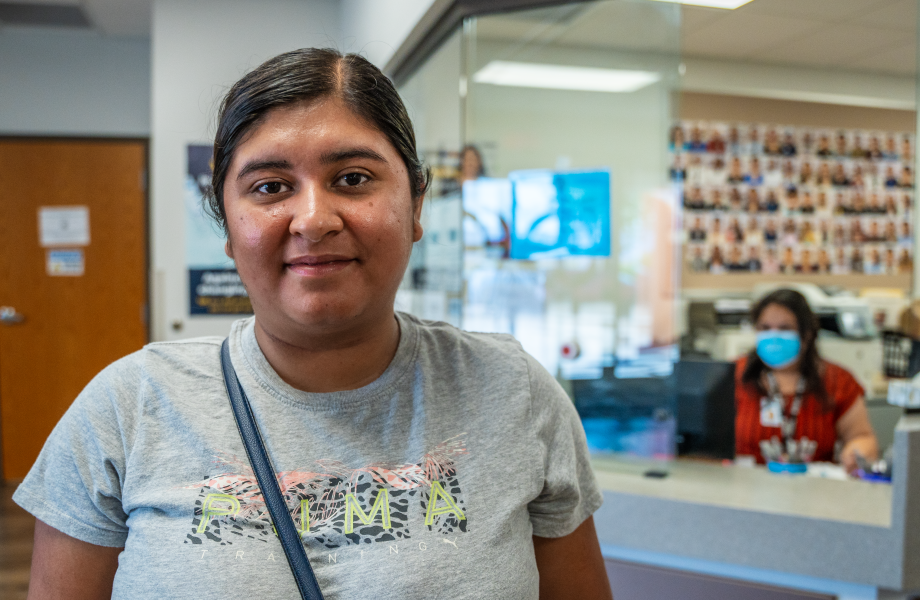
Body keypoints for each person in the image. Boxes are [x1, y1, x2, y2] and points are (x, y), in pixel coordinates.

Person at [14, 49, 611, 599]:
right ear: (227, 229)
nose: (313, 219)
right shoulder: (129, 406)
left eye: (352, 179)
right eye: (271, 187)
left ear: (416, 206)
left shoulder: (513, 391)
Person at [735, 289, 879, 471]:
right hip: (745, 482)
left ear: (807, 334)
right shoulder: (733, 375)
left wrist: (857, 454)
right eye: (765, 328)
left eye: (785, 328)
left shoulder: (838, 381)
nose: (774, 336)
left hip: (815, 484)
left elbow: (862, 437)